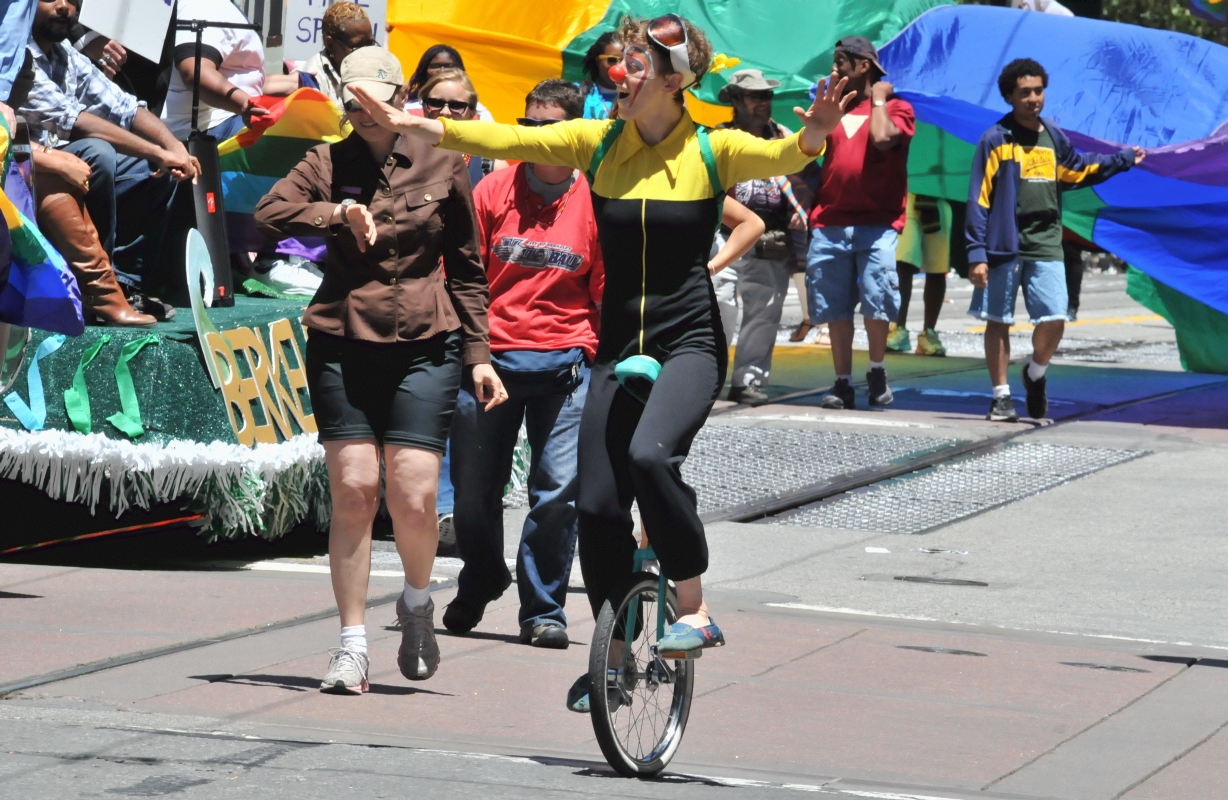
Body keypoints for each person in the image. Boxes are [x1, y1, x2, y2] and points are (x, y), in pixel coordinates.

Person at [349, 12, 852, 701]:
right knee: (599, 504)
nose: (620, 72)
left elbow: (793, 153)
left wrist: (817, 128)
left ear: (677, 80)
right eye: (621, 59)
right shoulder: (600, 141)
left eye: (638, 62)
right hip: (619, 347)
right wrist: (409, 120)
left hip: (688, 343)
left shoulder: (713, 149)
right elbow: (501, 135)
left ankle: (696, 607)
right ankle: (613, 657)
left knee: (649, 457)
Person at [253, 47, 507, 694]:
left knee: (416, 495)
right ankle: (351, 645)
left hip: (428, 340)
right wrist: (335, 214)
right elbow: (269, 212)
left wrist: (479, 357)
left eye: (369, 101)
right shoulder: (328, 160)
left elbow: (469, 270)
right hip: (342, 337)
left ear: (399, 98)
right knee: (356, 489)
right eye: (350, 100)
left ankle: (417, 604)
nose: (358, 112)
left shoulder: (445, 158)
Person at [444, 80, 602, 649]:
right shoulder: (492, 191)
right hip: (492, 364)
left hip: (565, 369)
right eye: (526, 125)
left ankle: (543, 608)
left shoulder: (595, 199)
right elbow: (463, 279)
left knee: (557, 491)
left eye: (546, 128)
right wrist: (473, 353)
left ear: (573, 133)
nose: (531, 138)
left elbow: (603, 292)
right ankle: (483, 575)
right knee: (471, 491)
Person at [967, 58, 1142, 422]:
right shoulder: (995, 139)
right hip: (1003, 246)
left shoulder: (1053, 137)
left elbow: (1077, 170)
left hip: (1047, 242)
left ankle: (1034, 373)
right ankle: (1001, 397)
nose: (1033, 99)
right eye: (1024, 93)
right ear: (1009, 97)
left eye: (1038, 91)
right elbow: (979, 199)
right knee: (998, 319)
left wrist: (1123, 160)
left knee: (1055, 317)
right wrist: (976, 253)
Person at [20, 0, 200, 312]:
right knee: (98, 153)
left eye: (71, 0)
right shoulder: (14, 53)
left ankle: (127, 282)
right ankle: (97, 290)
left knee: (152, 168)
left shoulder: (66, 56)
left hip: (64, 164)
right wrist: (158, 151)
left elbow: (124, 106)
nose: (64, 6)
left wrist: (173, 148)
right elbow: (73, 120)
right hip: (25, 170)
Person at [804, 36, 914, 411]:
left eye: (841, 62)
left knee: (877, 298)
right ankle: (842, 382)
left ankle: (877, 370)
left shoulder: (898, 108)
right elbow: (808, 151)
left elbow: (883, 139)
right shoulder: (832, 108)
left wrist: (879, 100)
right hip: (830, 221)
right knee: (833, 306)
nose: (834, 70)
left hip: (878, 223)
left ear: (864, 66)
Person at [713, 68, 809, 405]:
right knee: (719, 303)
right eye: (756, 96)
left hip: (771, 237)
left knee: (764, 311)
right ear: (736, 101)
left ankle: (748, 382)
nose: (764, 103)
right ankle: (708, 377)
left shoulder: (784, 136)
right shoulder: (718, 137)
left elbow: (806, 179)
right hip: (723, 234)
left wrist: (801, 207)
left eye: (766, 96)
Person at [165, 0, 301, 141]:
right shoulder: (206, 5)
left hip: (218, 119)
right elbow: (195, 71)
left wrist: (293, 82)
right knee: (304, 134)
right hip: (210, 128)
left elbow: (234, 77)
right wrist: (244, 104)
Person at [888, 193, 951, 356]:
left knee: (937, 267)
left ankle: (928, 332)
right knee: (903, 261)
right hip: (909, 195)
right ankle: (898, 328)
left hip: (939, 197)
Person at [302, 2, 375, 107]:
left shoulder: (377, 66)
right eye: (356, 46)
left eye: (370, 43)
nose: (366, 52)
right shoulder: (313, 80)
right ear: (330, 45)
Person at [403, 44, 493, 120]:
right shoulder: (405, 106)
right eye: (435, 66)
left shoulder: (479, 111)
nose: (442, 71)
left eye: (456, 105)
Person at [578, 31, 622, 119]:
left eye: (625, 60)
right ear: (598, 61)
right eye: (612, 60)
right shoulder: (576, 93)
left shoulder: (641, 98)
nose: (619, 67)